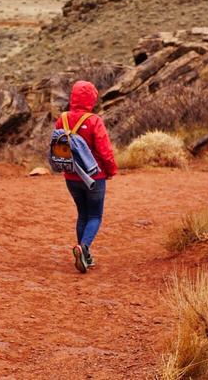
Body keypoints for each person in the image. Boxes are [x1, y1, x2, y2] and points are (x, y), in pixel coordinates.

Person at [55, 80, 118, 274]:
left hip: (71, 176)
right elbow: (104, 150)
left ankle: (84, 254)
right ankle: (84, 248)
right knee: (95, 215)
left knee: (82, 214)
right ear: (92, 98)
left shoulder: (62, 119)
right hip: (94, 176)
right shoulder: (93, 120)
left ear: (73, 97)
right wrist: (111, 170)